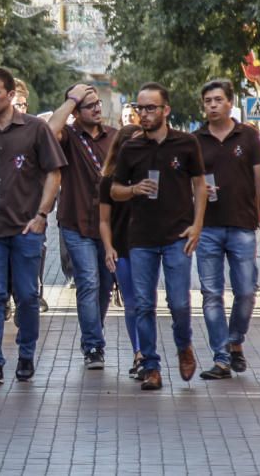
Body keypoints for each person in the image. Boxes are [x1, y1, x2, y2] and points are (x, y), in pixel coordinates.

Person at [0, 67, 66, 386]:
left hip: (26, 228)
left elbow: (54, 173)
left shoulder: (36, 129)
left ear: (11, 96)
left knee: (26, 295)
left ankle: (25, 354)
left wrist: (42, 214)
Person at [111, 82, 206, 391]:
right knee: (142, 303)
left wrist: (197, 225)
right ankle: (150, 365)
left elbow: (200, 185)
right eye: (140, 108)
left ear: (166, 110)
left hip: (178, 234)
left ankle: (184, 345)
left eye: (151, 108)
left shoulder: (186, 143)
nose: (144, 113)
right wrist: (134, 189)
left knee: (179, 301)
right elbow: (113, 189)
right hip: (141, 238)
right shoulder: (131, 148)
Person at [194, 80, 260, 380]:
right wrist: (198, 191)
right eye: (207, 101)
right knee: (211, 294)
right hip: (208, 228)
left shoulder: (250, 136)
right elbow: (187, 184)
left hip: (243, 224)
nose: (213, 105)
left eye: (218, 100)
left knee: (246, 291)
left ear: (230, 103)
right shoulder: (196, 140)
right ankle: (221, 358)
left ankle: (235, 339)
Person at [48, 83, 116, 369]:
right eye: (89, 105)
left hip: (109, 226)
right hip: (75, 222)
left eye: (98, 103)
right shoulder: (68, 137)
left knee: (104, 287)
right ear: (76, 111)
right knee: (88, 283)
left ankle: (93, 332)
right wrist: (72, 98)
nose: (97, 108)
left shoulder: (114, 137)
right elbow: (49, 130)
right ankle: (93, 347)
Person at [99, 124, 143, 378]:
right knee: (132, 302)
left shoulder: (151, 175)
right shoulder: (109, 179)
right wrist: (108, 248)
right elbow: (104, 220)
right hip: (122, 248)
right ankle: (139, 353)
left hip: (147, 247)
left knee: (145, 302)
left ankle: (146, 352)